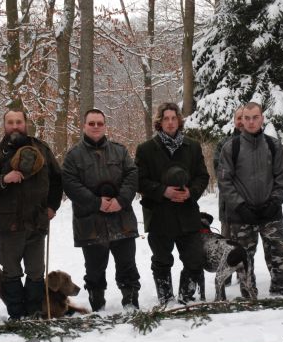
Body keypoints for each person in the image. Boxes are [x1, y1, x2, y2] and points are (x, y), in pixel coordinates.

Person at [0, 109, 63, 319]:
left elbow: (57, 179)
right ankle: (16, 315)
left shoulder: (42, 149)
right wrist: (3, 179)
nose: (15, 126)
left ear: (26, 123)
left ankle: (33, 314)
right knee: (11, 272)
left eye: (19, 122)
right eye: (10, 122)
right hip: (9, 224)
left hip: (37, 222)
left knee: (36, 271)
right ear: (4, 125)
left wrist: (52, 207)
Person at [62, 109, 141, 311]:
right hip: (90, 222)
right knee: (94, 269)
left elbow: (132, 175)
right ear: (84, 126)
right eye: (91, 123)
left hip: (121, 219)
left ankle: (131, 303)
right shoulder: (73, 156)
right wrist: (96, 202)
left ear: (105, 126)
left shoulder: (120, 151)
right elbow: (70, 184)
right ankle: (97, 306)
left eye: (99, 123)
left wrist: (121, 200)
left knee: (127, 265)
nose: (96, 126)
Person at [135, 102, 210, 305]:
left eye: (173, 118)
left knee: (194, 259)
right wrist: (163, 191)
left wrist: (191, 192)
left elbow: (203, 176)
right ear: (159, 122)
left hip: (187, 213)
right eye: (166, 119)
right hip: (159, 214)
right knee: (162, 260)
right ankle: (166, 299)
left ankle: (186, 298)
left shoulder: (192, 146)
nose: (170, 122)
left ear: (179, 120)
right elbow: (139, 181)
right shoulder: (146, 149)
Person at [217, 101, 283, 297]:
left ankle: (279, 294)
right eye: (247, 118)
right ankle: (250, 296)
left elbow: (282, 177)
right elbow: (224, 181)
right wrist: (240, 206)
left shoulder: (274, 146)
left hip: (270, 213)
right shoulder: (231, 147)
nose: (250, 122)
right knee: (243, 259)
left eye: (255, 117)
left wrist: (275, 202)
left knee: (281, 252)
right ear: (241, 120)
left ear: (262, 119)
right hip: (242, 216)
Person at [214, 108, 245, 238]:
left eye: (245, 117)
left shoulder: (260, 144)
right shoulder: (223, 144)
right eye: (239, 118)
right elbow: (220, 173)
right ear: (234, 121)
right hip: (228, 208)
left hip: (253, 209)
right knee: (227, 246)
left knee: (248, 248)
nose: (242, 121)